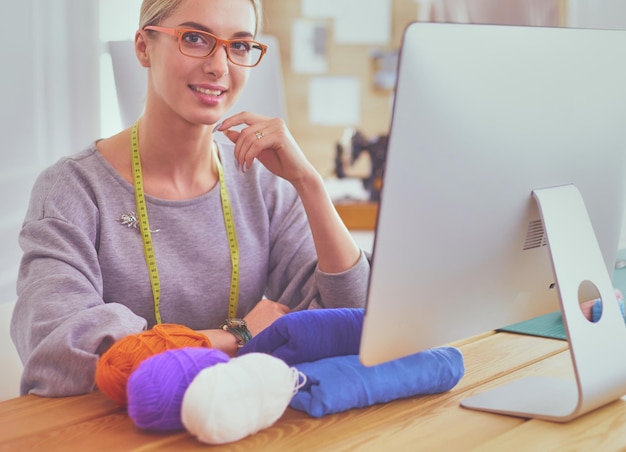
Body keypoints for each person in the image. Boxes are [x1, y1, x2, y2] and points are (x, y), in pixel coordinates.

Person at [10, 0, 370, 397]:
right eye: (195, 38)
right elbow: (58, 353)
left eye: (239, 45)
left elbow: (353, 318)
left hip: (237, 419)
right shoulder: (73, 189)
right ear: (144, 47)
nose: (220, 66)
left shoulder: (262, 181)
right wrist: (238, 335)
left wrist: (309, 182)